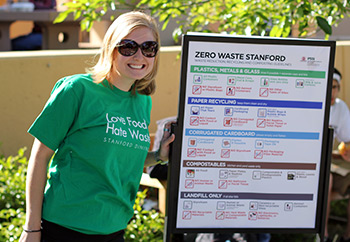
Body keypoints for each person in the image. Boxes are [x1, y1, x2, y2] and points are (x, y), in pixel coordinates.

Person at [19, 11, 175, 242]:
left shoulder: (142, 101)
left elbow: (120, 156)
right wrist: (31, 228)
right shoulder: (77, 90)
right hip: (64, 228)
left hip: (114, 229)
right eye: (128, 46)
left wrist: (157, 156)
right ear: (111, 48)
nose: (139, 55)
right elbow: (40, 156)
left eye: (148, 47)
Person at [325, 67, 350, 242]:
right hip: (314, 165)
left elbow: (347, 140)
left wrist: (345, 150)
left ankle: (348, 235)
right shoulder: (312, 104)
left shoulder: (340, 107)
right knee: (328, 180)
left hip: (330, 161)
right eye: (328, 86)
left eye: (334, 87)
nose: (331, 91)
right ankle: (324, 235)